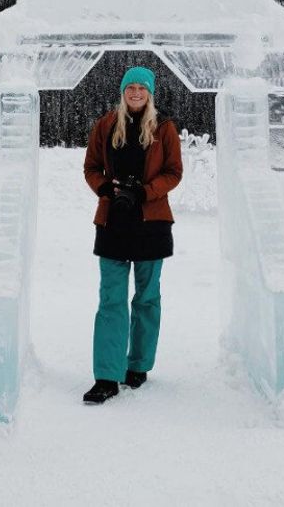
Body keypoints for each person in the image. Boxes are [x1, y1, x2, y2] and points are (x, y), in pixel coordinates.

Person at [81, 67, 182, 405]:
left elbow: (173, 172)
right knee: (110, 299)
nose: (136, 93)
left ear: (150, 93)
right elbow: (91, 167)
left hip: (151, 221)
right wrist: (104, 188)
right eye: (130, 87)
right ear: (122, 91)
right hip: (112, 221)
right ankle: (106, 376)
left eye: (142, 88)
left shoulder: (164, 128)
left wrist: (145, 192)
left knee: (146, 297)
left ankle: (137, 365)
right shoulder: (106, 125)